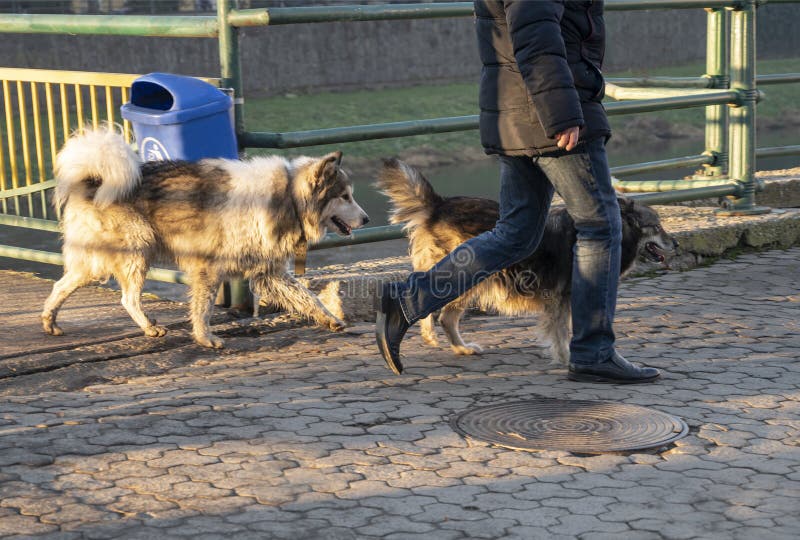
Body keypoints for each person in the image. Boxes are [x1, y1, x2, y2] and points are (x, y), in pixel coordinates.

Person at [375, 0, 661, 384]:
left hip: (520, 111)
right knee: (601, 227)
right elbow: (534, 33)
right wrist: (561, 111)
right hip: (551, 112)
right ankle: (594, 352)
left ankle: (408, 300)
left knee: (516, 234)